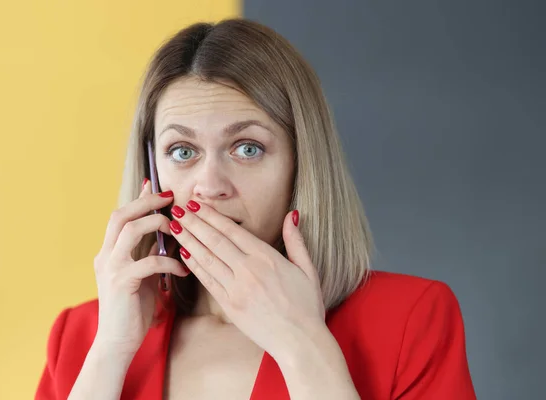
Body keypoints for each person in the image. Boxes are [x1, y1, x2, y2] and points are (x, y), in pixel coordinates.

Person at [35, 18, 476, 400]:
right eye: (182, 151)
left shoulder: (411, 318)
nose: (209, 186)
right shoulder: (81, 335)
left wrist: (302, 343)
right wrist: (111, 349)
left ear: (301, 166)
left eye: (247, 148)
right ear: (151, 171)